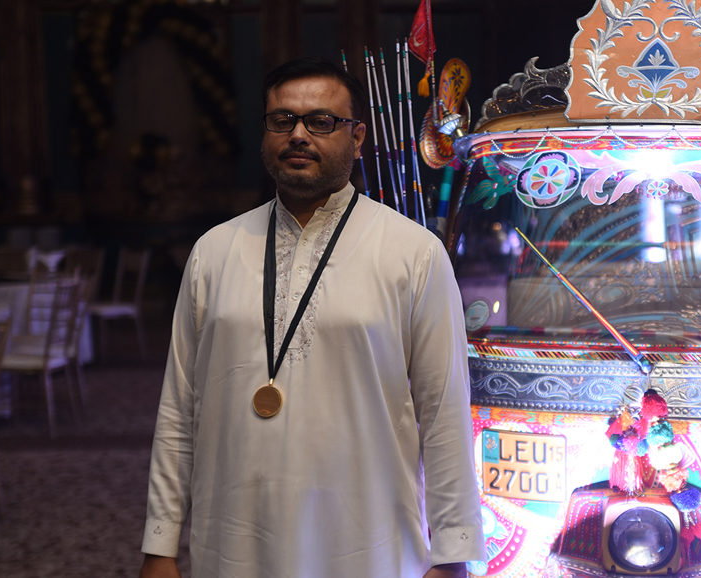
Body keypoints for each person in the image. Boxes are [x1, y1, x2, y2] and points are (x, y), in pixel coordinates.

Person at [139, 57, 485, 578]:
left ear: (357, 137)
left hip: (367, 547)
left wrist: (454, 553)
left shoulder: (413, 253)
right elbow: (178, 409)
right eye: (283, 120)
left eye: (321, 121)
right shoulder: (214, 251)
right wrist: (160, 545)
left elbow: (444, 413)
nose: (298, 135)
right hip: (233, 544)